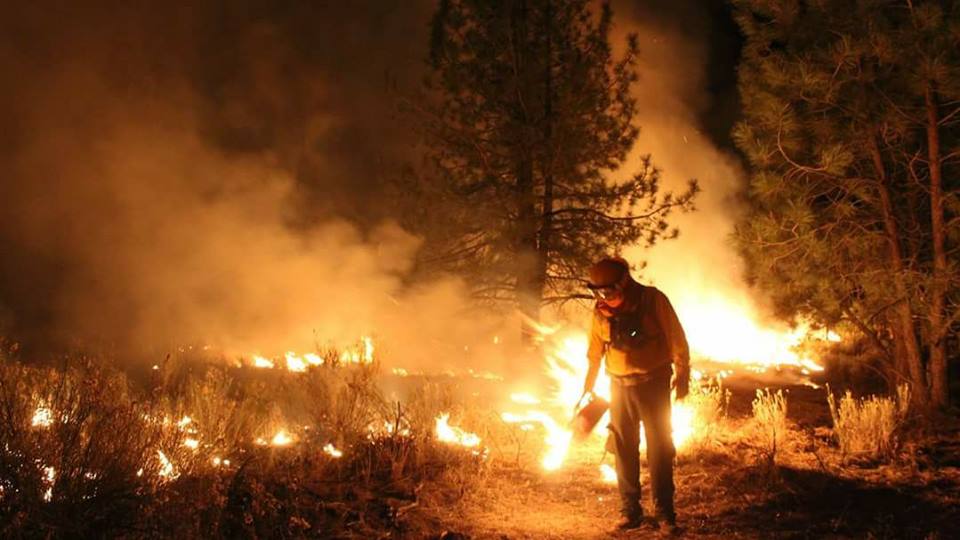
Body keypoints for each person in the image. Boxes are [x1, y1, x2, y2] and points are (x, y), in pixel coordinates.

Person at [580, 256, 690, 533]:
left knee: (660, 449)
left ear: (624, 282)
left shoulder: (653, 301)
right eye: (599, 291)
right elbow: (595, 354)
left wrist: (683, 373)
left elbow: (676, 337)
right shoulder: (599, 312)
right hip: (619, 386)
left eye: (609, 290)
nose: (605, 296)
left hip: (653, 384)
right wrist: (587, 389)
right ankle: (630, 512)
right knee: (622, 448)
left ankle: (665, 514)